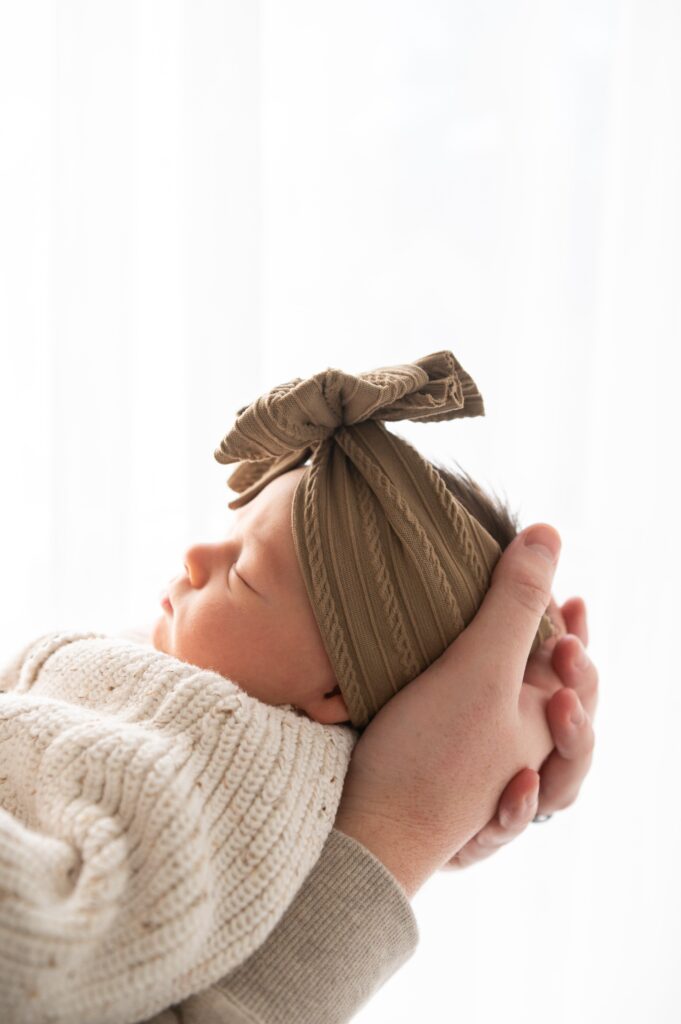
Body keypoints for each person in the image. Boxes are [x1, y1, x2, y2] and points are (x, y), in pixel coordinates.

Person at [141, 525, 597, 1024]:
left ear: (335, 694)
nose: (192, 552)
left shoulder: (240, 784)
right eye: (232, 534)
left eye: (245, 576)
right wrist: (409, 831)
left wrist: (415, 824)